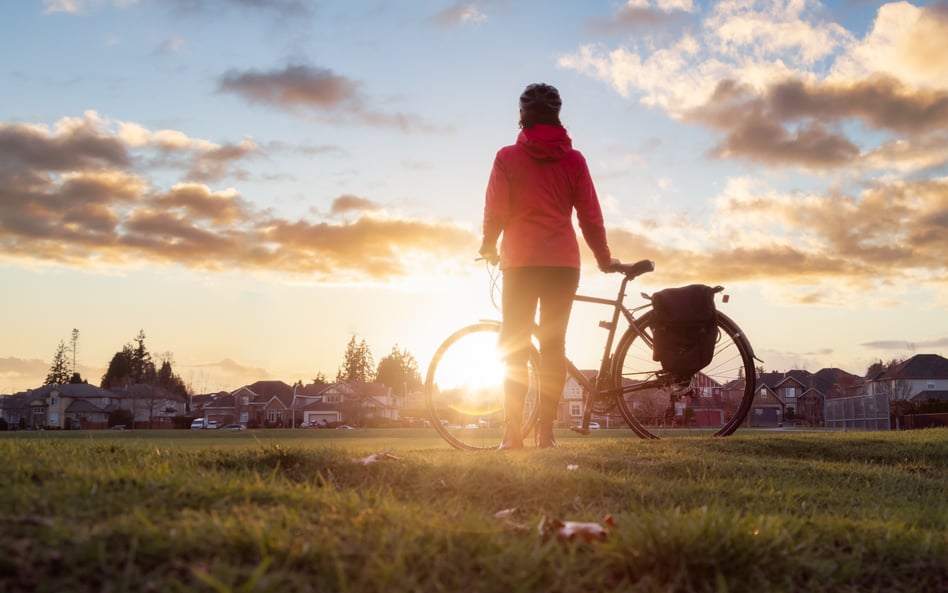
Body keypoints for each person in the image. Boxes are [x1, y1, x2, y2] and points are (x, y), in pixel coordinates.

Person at [480, 83, 616, 449]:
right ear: (558, 117)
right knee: (554, 347)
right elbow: (590, 216)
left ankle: (511, 435)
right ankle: (545, 434)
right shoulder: (574, 161)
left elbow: (496, 210)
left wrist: (488, 245)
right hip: (561, 264)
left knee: (514, 345)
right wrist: (603, 258)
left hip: (520, 262)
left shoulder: (507, 158)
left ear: (522, 117)